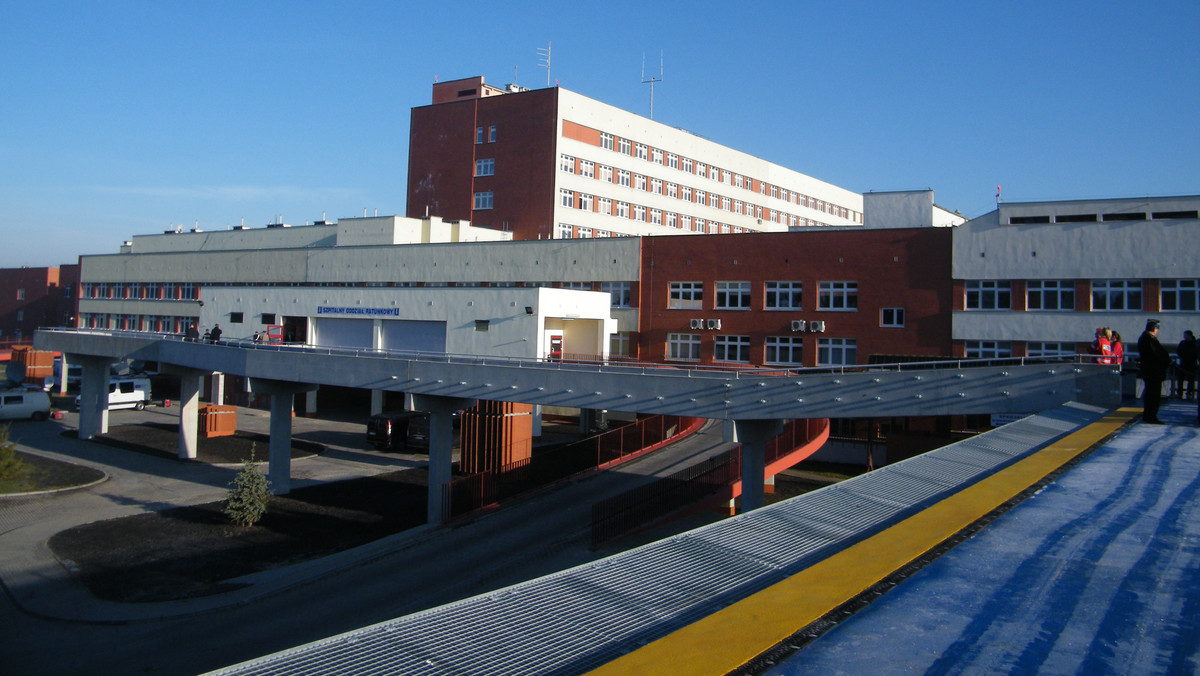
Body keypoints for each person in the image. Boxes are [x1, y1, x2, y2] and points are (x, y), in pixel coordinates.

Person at [1137, 319, 1171, 424]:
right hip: (1153, 371)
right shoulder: (1149, 339)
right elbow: (1158, 354)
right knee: (1153, 395)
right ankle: (1151, 416)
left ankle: (1149, 415)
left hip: (1150, 371)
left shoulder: (1145, 338)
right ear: (1154, 328)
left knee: (1151, 394)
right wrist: (1167, 361)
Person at [1177, 330, 1197, 400]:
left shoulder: (1195, 343)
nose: (1184, 337)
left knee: (1191, 380)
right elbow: (1178, 351)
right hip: (1183, 364)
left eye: (1185, 335)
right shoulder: (1183, 343)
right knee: (1180, 379)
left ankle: (1189, 393)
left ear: (1189, 335)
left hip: (1191, 364)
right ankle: (1180, 393)